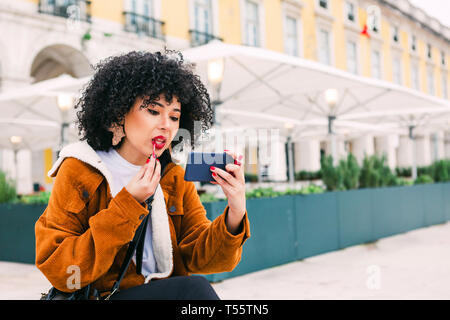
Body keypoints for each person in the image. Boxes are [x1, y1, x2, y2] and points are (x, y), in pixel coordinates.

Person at [35, 49, 250, 300]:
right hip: (102, 296)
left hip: (162, 292)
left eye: (174, 116)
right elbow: (62, 270)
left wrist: (235, 212)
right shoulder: (79, 169)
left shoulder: (173, 177)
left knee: (195, 288)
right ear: (117, 114)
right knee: (194, 290)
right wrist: (127, 205)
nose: (166, 125)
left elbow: (202, 259)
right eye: (153, 111)